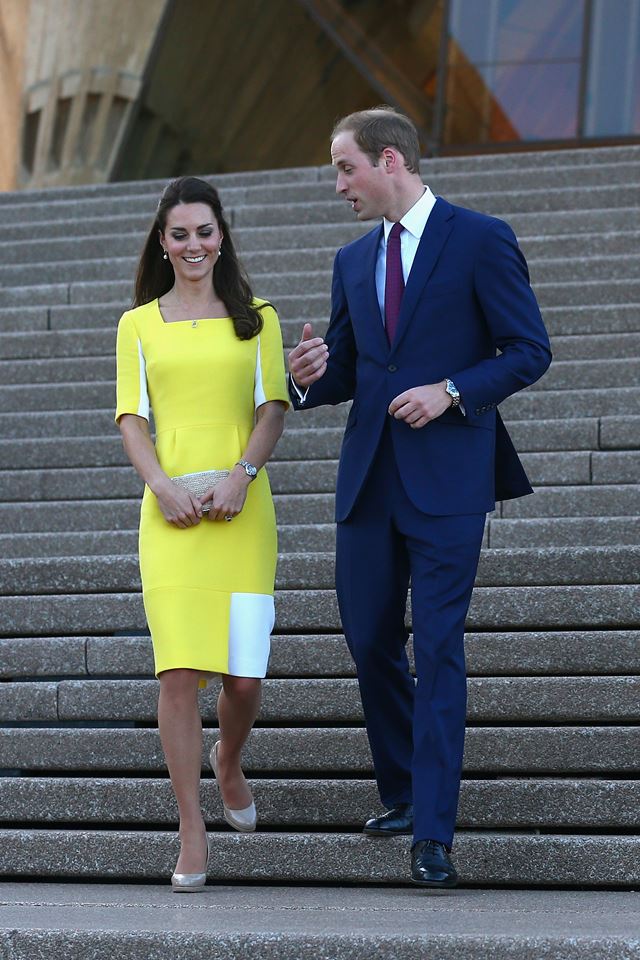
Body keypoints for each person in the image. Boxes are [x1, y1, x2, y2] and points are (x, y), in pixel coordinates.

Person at [288, 107, 551, 888]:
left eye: (345, 167)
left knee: (436, 649)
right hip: (369, 482)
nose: (339, 185)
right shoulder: (350, 261)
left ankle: (433, 832)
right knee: (370, 638)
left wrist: (451, 391)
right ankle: (402, 790)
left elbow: (528, 349)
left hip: (449, 484)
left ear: (389, 158)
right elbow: (348, 372)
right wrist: (309, 376)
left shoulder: (480, 238)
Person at [115, 176, 289, 892]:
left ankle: (228, 760)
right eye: (180, 234)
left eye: (205, 232)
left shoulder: (259, 319)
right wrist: (160, 486)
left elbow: (272, 406)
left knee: (244, 678)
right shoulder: (137, 325)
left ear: (223, 236)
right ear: (163, 241)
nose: (193, 245)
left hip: (241, 511)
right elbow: (133, 418)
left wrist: (242, 475)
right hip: (171, 517)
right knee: (179, 674)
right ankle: (191, 828)